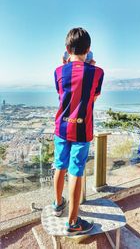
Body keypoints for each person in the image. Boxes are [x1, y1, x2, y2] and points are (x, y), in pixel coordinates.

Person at [52, 27, 104, 235]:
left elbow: (62, 93)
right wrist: (88, 68)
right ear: (89, 49)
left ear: (66, 49)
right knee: (76, 172)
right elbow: (94, 97)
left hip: (61, 128)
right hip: (82, 130)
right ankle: (73, 223)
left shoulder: (58, 71)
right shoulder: (97, 72)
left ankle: (57, 205)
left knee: (59, 165)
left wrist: (67, 66)